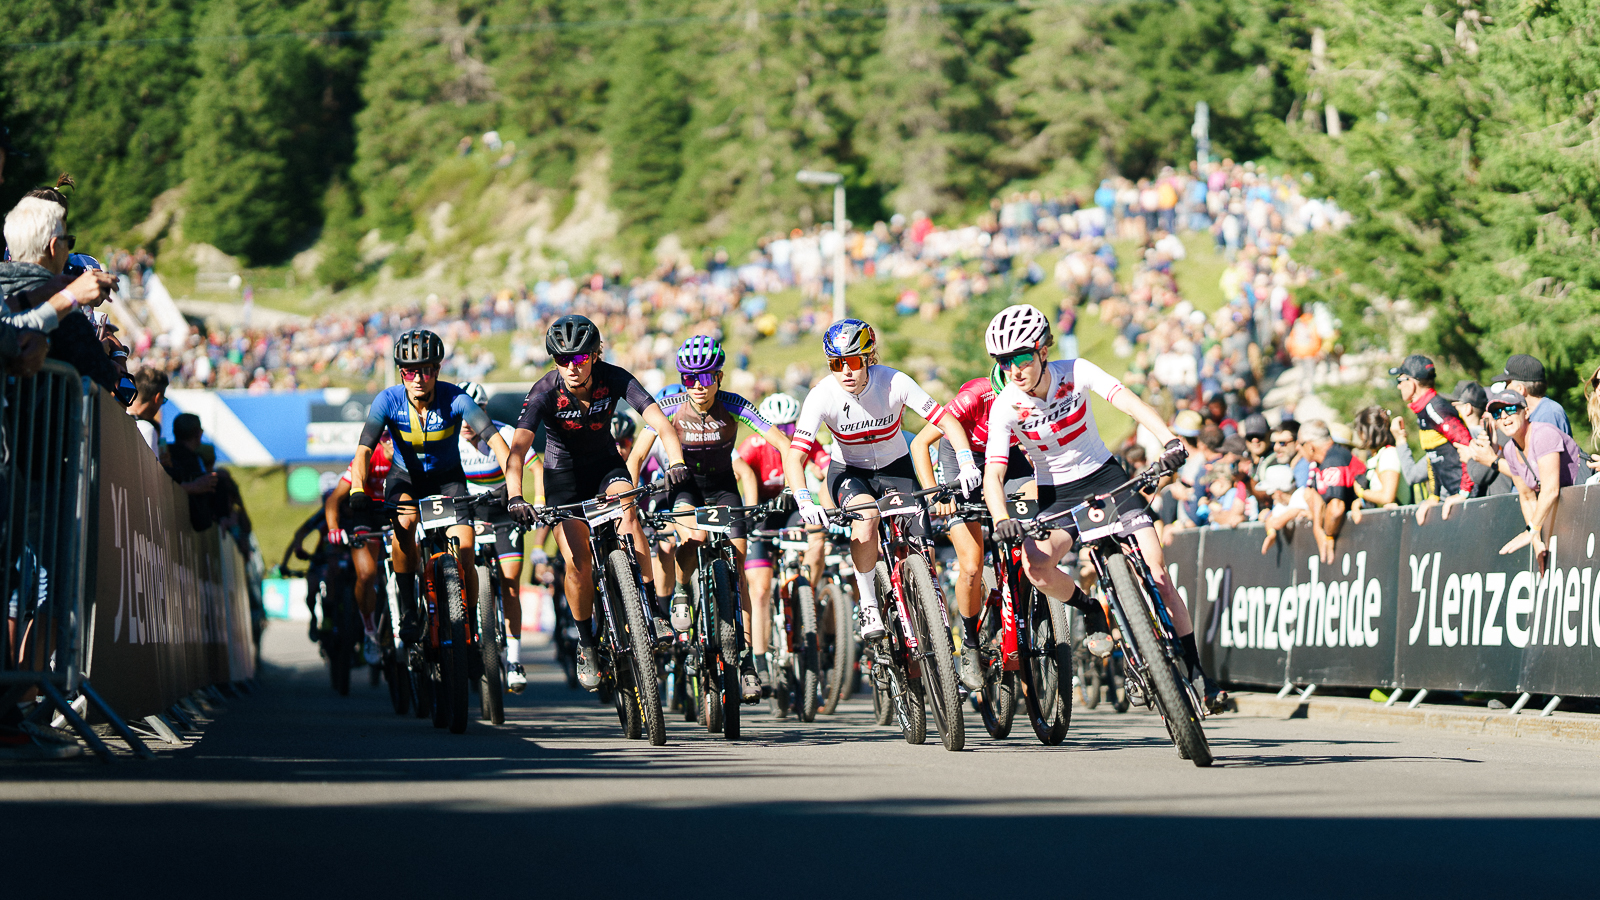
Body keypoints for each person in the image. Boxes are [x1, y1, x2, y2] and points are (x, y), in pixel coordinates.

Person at [978, 304, 1225, 712]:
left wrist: (1169, 440)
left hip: (1106, 477)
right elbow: (993, 474)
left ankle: (1198, 673)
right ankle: (1091, 608)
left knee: (1158, 571)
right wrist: (1003, 518)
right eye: (1003, 362)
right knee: (1035, 565)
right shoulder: (1005, 404)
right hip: (1056, 494)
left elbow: (1130, 403)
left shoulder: (1076, 371)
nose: (1013, 370)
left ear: (1042, 352)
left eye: (1021, 358)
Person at [503, 315, 690, 691]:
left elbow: (661, 423)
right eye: (562, 359)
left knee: (627, 507)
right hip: (564, 480)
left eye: (581, 358)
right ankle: (587, 644)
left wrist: (677, 461)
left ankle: (653, 609)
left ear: (596, 355)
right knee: (578, 566)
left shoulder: (614, 376)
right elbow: (518, 451)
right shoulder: (544, 390)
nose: (572, 367)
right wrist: (515, 497)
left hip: (606, 468)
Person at [783, 317, 982, 644]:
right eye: (836, 363)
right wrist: (804, 499)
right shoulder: (822, 395)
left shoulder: (894, 382)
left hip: (896, 469)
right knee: (866, 517)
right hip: (850, 474)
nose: (845, 371)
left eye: (853, 361)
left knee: (925, 555)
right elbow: (795, 456)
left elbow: (945, 419)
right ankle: (870, 604)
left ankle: (930, 623)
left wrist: (964, 459)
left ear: (869, 358)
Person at [627, 336, 790, 700]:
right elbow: (637, 457)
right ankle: (683, 592)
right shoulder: (668, 406)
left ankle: (747, 661)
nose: (697, 387)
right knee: (694, 538)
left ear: (719, 376)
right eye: (688, 379)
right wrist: (628, 498)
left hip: (722, 487)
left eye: (705, 377)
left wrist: (797, 487)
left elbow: (781, 442)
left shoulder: (735, 404)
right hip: (684, 487)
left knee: (739, 564)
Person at [347, 330, 511, 649]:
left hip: (448, 480)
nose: (418, 378)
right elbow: (364, 450)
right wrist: (357, 489)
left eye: (426, 369)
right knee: (404, 525)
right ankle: (409, 611)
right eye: (410, 371)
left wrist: (514, 489)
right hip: (404, 479)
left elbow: (495, 442)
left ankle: (472, 627)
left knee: (466, 553)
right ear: (401, 373)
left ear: (437, 370)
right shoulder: (388, 400)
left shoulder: (456, 399)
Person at [909, 363, 1035, 690]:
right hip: (959, 460)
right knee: (971, 565)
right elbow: (919, 444)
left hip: (1005, 459)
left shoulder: (1033, 397)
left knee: (1036, 514)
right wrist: (937, 493)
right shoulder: (975, 397)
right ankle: (969, 644)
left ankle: (1024, 599)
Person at [737, 392, 829, 692]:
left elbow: (826, 469)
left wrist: (827, 499)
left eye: (790, 427)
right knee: (760, 589)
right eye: (779, 428)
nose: (786, 434)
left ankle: (806, 597)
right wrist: (748, 514)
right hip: (763, 513)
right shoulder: (754, 445)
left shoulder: (805, 440)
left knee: (818, 538)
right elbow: (740, 472)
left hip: (794, 510)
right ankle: (759, 658)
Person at [457, 381, 529, 693]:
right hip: (469, 514)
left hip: (502, 513)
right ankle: (469, 639)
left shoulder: (506, 433)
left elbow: (535, 468)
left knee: (510, 585)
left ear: (484, 412)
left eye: (471, 415)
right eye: (458, 416)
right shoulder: (448, 440)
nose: (464, 424)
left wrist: (532, 500)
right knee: (460, 575)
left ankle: (513, 660)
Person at [1464, 390, 1584, 561]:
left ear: (1526, 412)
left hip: (1589, 498)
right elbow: (1527, 497)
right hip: (1571, 510)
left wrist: (1530, 532)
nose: (1504, 416)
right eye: (1498, 413)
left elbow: (1550, 490)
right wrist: (1537, 544)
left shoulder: (1542, 434)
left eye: (1511, 409)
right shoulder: (1510, 450)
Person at [323, 433, 395, 665]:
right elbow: (334, 500)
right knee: (366, 574)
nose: (392, 442)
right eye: (386, 438)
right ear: (380, 440)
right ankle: (370, 630)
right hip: (367, 513)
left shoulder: (410, 452)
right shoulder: (366, 459)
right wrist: (333, 528)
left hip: (398, 511)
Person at [1390, 354, 1472, 523]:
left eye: (1400, 381)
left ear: (1411, 383)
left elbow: (1468, 446)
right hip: (1452, 497)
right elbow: (1433, 459)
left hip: (1468, 498)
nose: (1399, 387)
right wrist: (1433, 497)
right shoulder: (1424, 410)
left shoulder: (1436, 409)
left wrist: (1464, 493)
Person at [1299, 420, 1364, 564]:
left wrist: (1328, 537)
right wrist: (1317, 527)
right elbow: (1314, 495)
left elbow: (1336, 509)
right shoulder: (1321, 462)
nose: (1298, 449)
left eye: (1300, 444)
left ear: (1310, 446)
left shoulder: (1333, 460)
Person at [1495, 354, 1570, 436]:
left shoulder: (1549, 414)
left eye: (1507, 383)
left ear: (1520, 389)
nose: (1505, 389)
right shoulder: (1532, 414)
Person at [1350, 406, 1403, 512]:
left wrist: (1361, 492)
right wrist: (1361, 502)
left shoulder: (1389, 454)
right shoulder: (1377, 456)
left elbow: (1387, 497)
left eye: (1360, 430)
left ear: (1367, 431)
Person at [128, 368, 168, 457]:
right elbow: (150, 471)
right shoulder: (146, 429)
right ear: (157, 398)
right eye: (163, 400)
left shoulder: (113, 416)